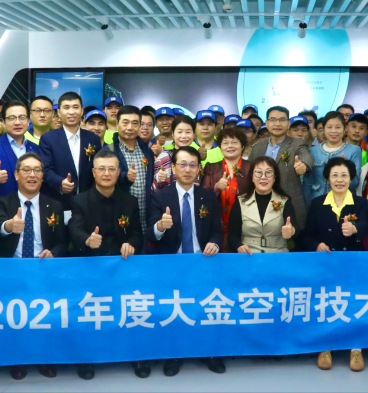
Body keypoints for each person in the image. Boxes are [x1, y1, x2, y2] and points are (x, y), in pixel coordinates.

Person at [67, 149, 147, 379]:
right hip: (91, 267)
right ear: (93, 172)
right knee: (89, 315)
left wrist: (131, 243)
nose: (106, 173)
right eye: (101, 168)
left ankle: (136, 356)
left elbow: (137, 233)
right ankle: (87, 359)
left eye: (111, 169)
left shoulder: (129, 201)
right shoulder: (80, 200)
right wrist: (87, 240)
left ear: (118, 172)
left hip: (122, 267)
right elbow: (74, 229)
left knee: (131, 312)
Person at [147, 145, 224, 376]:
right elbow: (150, 234)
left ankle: (210, 353)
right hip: (173, 265)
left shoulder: (208, 196)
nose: (188, 169)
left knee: (206, 309)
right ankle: (174, 355)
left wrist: (215, 243)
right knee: (176, 311)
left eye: (192, 165)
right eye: (183, 164)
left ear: (199, 169)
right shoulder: (160, 196)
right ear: (173, 167)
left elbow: (217, 230)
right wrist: (160, 226)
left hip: (204, 263)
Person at [0, 152, 66, 380]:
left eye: (37, 170)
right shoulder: (3, 202)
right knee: (15, 318)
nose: (32, 175)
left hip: (43, 269)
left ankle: (43, 358)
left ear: (43, 176)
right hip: (12, 271)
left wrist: (54, 253)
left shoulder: (54, 205)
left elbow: (62, 242)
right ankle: (18, 359)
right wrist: (9, 226)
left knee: (44, 317)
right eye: (27, 170)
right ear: (16, 175)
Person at [299, 156, 368, 372]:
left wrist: (355, 229)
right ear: (327, 178)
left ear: (351, 179)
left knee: (354, 304)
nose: (339, 180)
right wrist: (316, 245)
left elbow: (366, 225)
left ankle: (356, 348)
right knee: (327, 304)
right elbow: (306, 235)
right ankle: (325, 346)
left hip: (353, 262)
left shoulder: (360, 203)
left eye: (344, 175)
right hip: (326, 264)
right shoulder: (317, 203)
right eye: (335, 175)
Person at [0, 100, 39, 241]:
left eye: (22, 117)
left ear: (29, 120)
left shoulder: (36, 147)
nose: (17, 122)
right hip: (1, 211)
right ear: (4, 121)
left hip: (31, 211)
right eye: (12, 118)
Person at [250, 106, 313, 232]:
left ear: (288, 124)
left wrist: (304, 165)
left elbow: (305, 155)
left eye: (282, 120)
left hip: (290, 204)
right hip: (261, 204)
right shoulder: (257, 147)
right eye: (273, 120)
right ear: (267, 123)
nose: (277, 124)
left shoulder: (297, 143)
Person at [40, 92, 102, 210]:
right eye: (66, 107)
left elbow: (98, 169)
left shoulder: (93, 138)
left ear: (82, 111)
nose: (71, 112)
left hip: (89, 202)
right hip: (59, 202)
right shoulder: (48, 139)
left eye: (75, 107)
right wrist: (60, 183)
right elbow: (45, 169)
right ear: (59, 112)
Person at [103, 105, 154, 238]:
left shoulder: (147, 151)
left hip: (144, 219)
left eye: (135, 123)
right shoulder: (108, 151)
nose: (130, 128)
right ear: (117, 123)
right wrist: (124, 177)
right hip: (117, 221)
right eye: (125, 123)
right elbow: (101, 184)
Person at [228, 156, 298, 254]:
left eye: (268, 172)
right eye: (258, 172)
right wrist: (238, 246)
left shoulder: (285, 202)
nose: (263, 177)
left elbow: (296, 229)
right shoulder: (240, 202)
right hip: (249, 255)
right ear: (252, 177)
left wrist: (292, 231)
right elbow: (232, 236)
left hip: (277, 254)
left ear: (275, 177)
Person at [202, 127, 251, 251]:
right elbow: (202, 196)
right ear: (220, 147)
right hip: (216, 226)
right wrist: (216, 188)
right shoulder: (211, 167)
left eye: (234, 142)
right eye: (225, 143)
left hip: (245, 225)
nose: (230, 146)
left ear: (242, 146)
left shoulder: (251, 167)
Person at [302, 111, 361, 203]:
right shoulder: (313, 151)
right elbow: (307, 183)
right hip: (316, 201)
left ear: (345, 129)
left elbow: (355, 182)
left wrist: (345, 168)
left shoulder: (354, 150)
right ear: (324, 129)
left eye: (338, 127)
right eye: (329, 127)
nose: (333, 131)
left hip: (343, 202)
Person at [153, 115, 197, 191]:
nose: (184, 136)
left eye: (188, 132)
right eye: (180, 132)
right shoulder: (164, 157)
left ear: (193, 135)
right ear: (173, 134)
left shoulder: (195, 157)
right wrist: (159, 179)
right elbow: (153, 189)